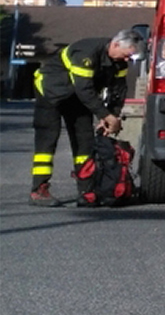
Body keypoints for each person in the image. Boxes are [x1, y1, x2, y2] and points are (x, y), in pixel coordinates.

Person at [29, 30, 142, 206]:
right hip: (51, 92)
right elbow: (84, 89)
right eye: (127, 55)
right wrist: (104, 115)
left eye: (131, 57)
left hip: (78, 98)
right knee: (48, 139)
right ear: (115, 44)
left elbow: (118, 91)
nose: (127, 60)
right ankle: (39, 189)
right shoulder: (86, 52)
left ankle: (86, 191)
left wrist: (113, 115)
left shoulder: (120, 63)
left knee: (84, 141)